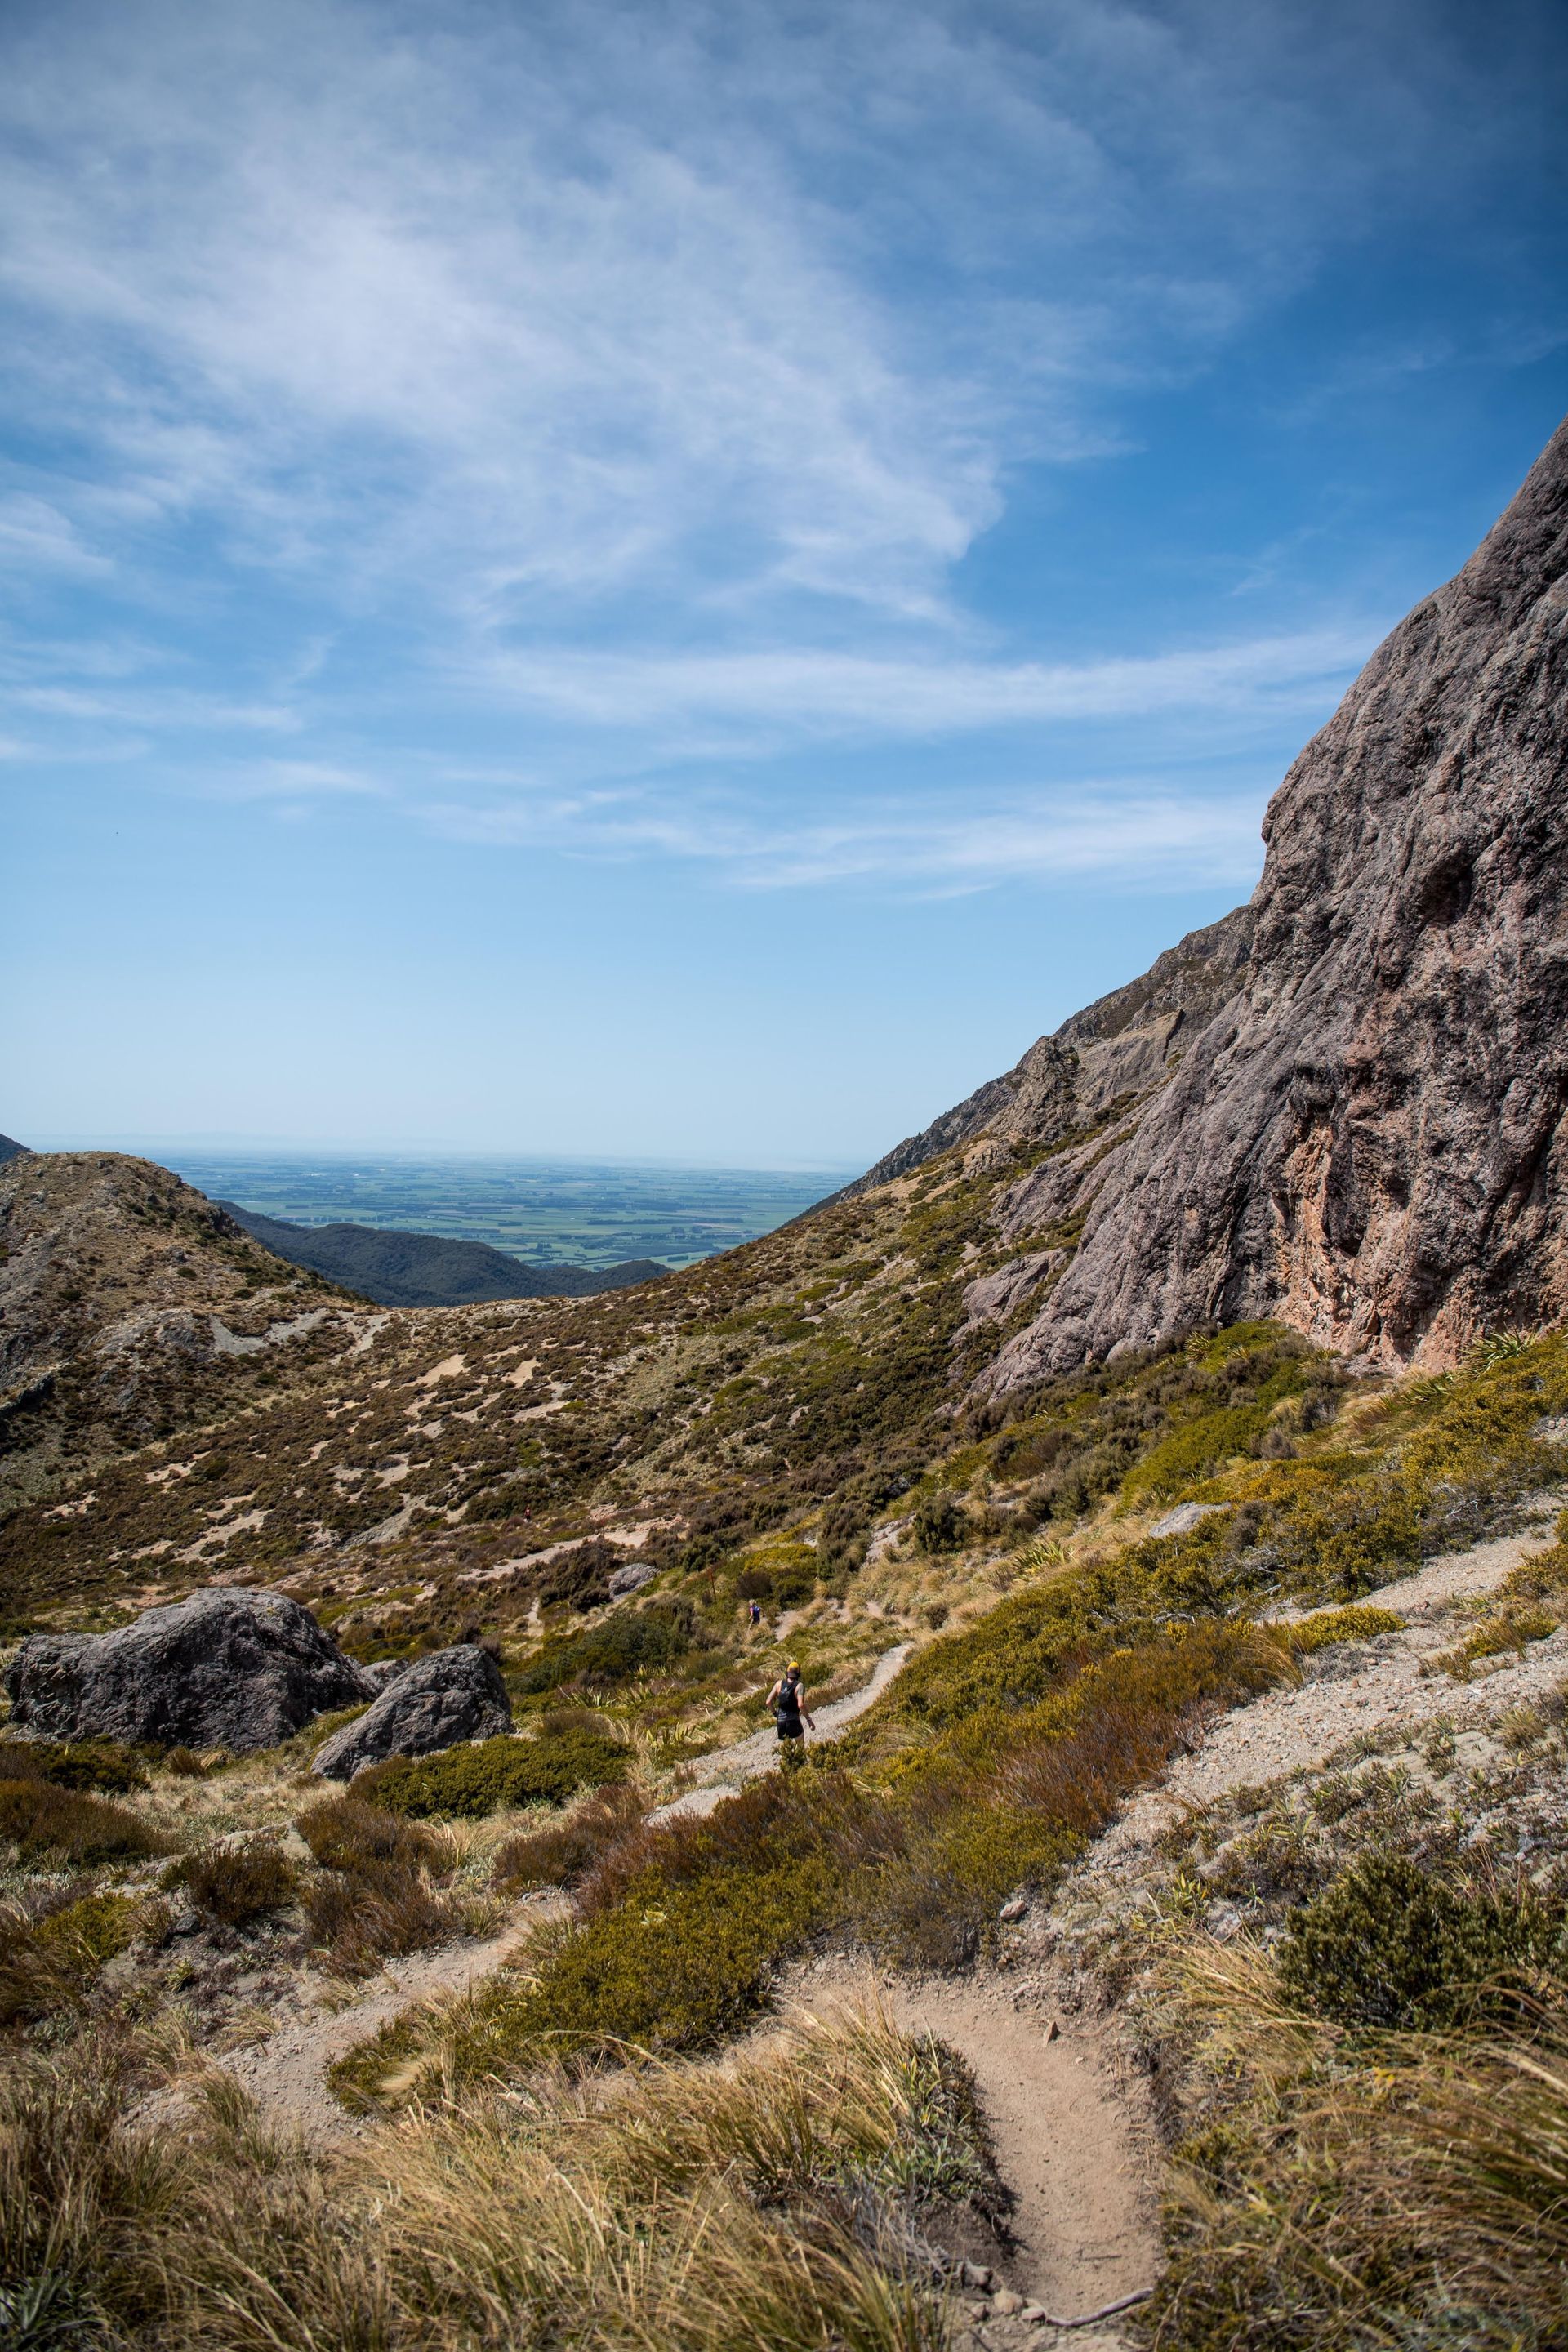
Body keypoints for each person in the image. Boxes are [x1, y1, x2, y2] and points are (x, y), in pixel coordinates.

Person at [767, 1659, 815, 1767]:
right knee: (800, 1744)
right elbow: (801, 1705)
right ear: (798, 1673)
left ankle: (789, 1769)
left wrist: (775, 1714)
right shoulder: (799, 1686)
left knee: (788, 1748)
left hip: (781, 1722)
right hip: (793, 1720)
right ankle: (803, 1768)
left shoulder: (779, 1684)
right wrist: (808, 1719)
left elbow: (768, 1702)